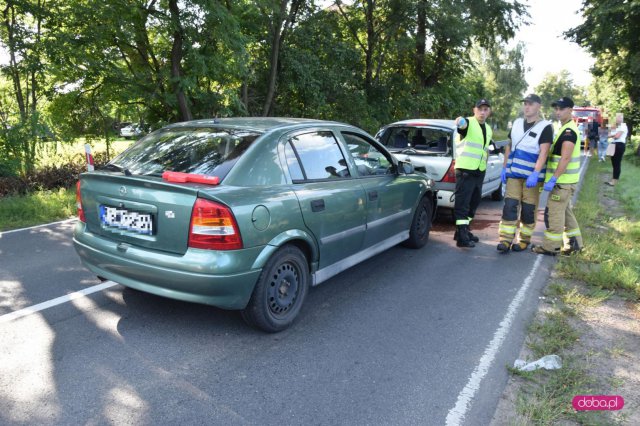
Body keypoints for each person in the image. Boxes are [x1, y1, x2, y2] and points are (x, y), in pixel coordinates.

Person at [497, 94, 553, 253]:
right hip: (514, 174)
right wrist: (504, 167)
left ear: (538, 106)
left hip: (531, 179)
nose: (526, 107)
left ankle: (523, 240)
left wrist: (535, 173)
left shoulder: (545, 126)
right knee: (509, 207)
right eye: (525, 104)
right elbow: (509, 146)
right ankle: (505, 240)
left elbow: (544, 152)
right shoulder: (516, 123)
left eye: (530, 104)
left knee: (528, 210)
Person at [532, 96, 583, 256]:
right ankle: (576, 244)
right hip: (566, 183)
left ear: (570, 110)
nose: (558, 112)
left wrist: (554, 178)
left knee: (554, 214)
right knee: (566, 213)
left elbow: (565, 158)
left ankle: (551, 247)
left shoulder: (568, 132)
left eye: (561, 109)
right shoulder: (564, 128)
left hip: (562, 183)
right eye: (556, 109)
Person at [453, 99, 493, 248]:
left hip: (479, 171)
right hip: (465, 170)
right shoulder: (468, 123)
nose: (482, 112)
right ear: (474, 110)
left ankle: (463, 230)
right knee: (462, 204)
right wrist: (460, 121)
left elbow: (486, 149)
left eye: (485, 109)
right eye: (480, 109)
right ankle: (461, 238)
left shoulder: (488, 129)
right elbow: (461, 125)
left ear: (488, 111)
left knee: (474, 203)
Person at [605, 112, 628, 186]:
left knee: (617, 163)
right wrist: (611, 133)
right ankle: (613, 179)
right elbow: (608, 135)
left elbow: (617, 136)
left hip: (619, 145)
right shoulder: (616, 126)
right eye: (617, 117)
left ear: (622, 119)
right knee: (613, 163)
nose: (618, 119)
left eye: (619, 118)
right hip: (613, 144)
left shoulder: (623, 126)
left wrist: (612, 135)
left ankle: (614, 181)